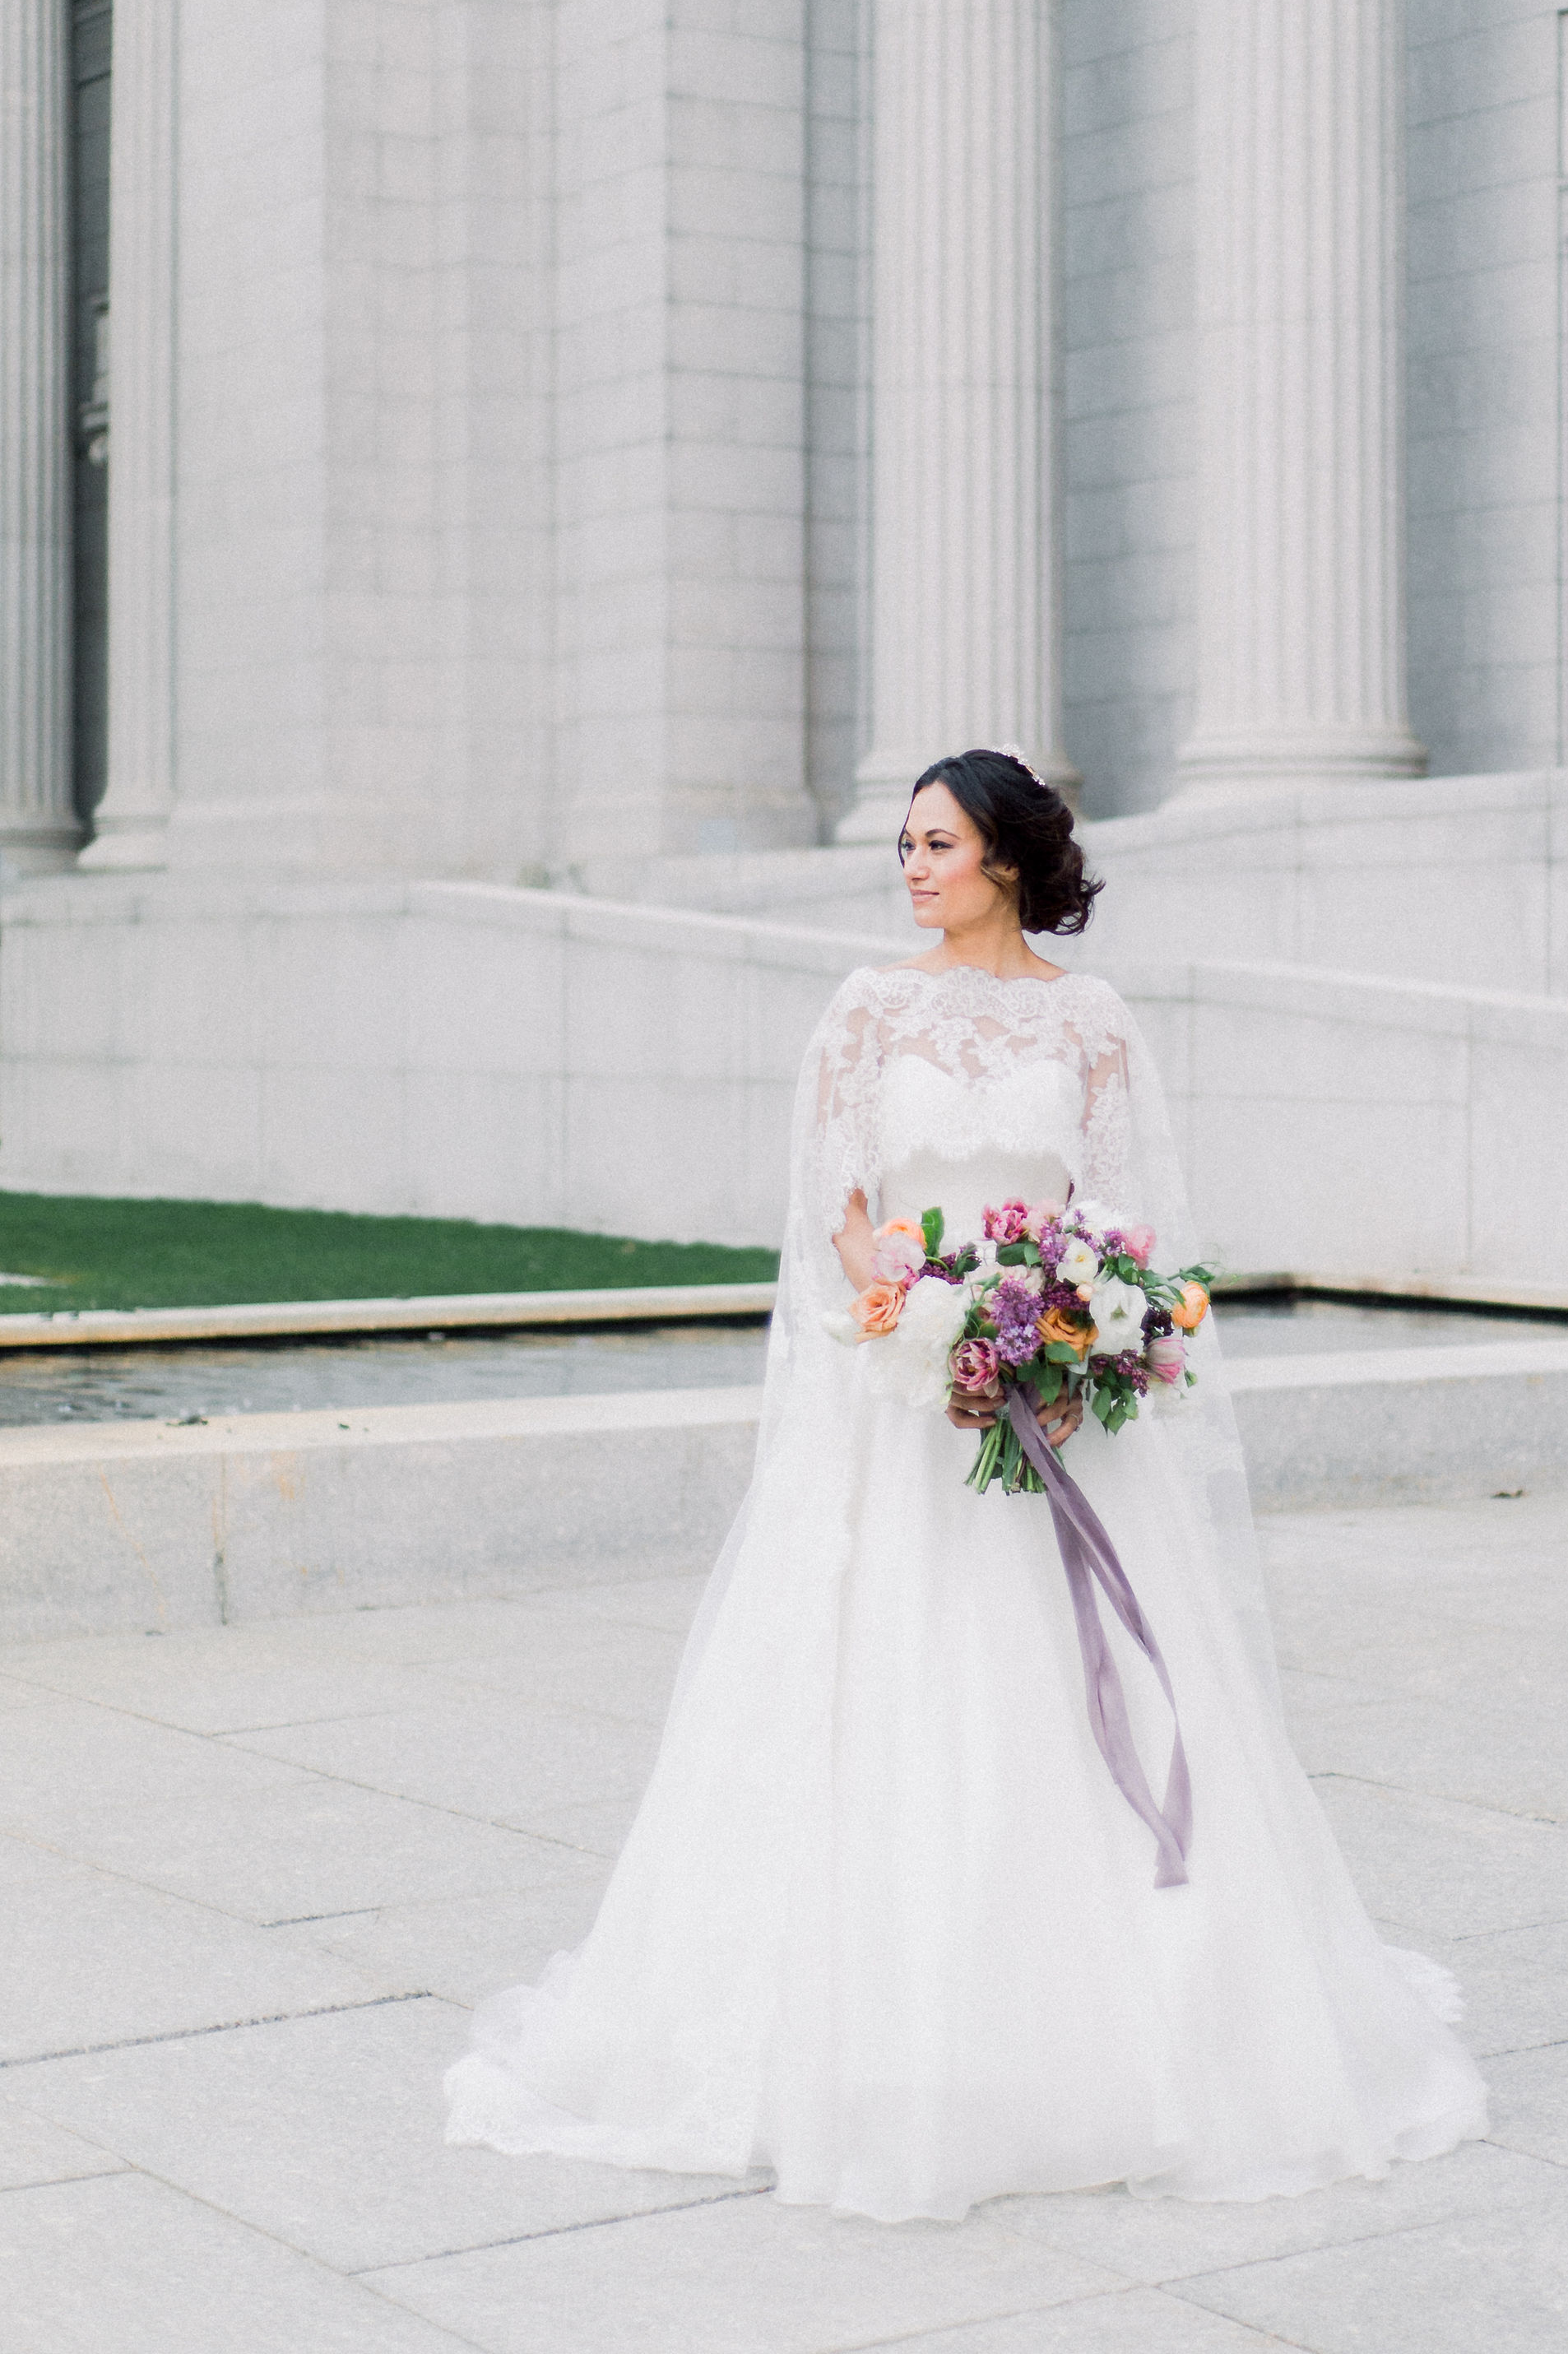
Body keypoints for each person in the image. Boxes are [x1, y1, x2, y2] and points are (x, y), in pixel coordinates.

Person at [444, 748, 1487, 2221]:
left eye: (937, 843)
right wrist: (912, 1296)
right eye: (905, 845)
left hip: (1064, 1408)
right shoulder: (868, 1013)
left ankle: (1140, 2028)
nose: (913, 868)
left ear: (1006, 856)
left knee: (1087, 1695)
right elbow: (836, 1211)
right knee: (905, 1700)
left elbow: (1126, 1214)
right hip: (906, 1408)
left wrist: (1080, 1317)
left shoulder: (1094, 1021)